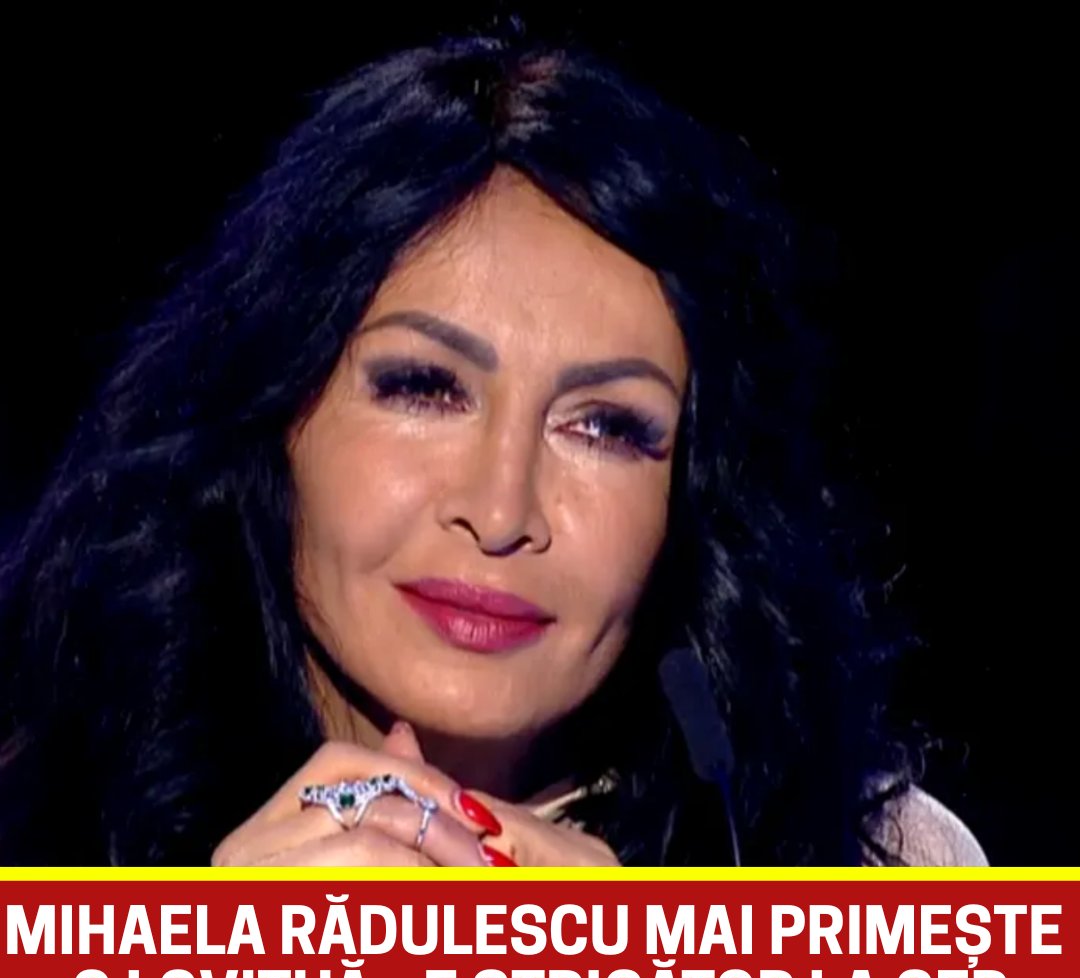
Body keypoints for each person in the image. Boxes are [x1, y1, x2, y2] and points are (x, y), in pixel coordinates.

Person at [0, 32, 986, 867]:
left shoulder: (880, 862)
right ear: (274, 415)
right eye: (426, 388)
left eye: (605, 427)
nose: (502, 510)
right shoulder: (33, 813)